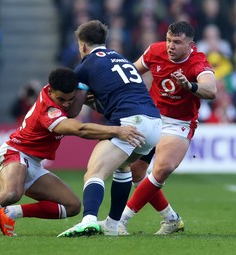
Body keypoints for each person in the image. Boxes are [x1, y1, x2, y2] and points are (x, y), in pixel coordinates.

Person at [0, 67, 145, 237]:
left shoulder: (61, 92)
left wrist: (83, 87)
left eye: (69, 99)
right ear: (51, 91)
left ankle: (9, 213)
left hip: (34, 163)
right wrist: (116, 130)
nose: (65, 103)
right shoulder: (49, 110)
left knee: (72, 206)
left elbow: (72, 109)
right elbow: (80, 129)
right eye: (61, 99)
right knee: (11, 193)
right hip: (14, 152)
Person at [57, 20, 162, 238]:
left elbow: (74, 111)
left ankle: (88, 220)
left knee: (94, 172)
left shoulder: (85, 66)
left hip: (130, 121)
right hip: (154, 122)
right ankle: (113, 225)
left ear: (83, 45)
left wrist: (79, 100)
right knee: (122, 168)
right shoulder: (120, 58)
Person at [118, 20, 217, 235]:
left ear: (190, 45)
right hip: (152, 117)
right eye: (169, 40)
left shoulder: (197, 62)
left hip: (179, 123)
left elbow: (211, 90)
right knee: (136, 171)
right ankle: (171, 219)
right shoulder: (155, 51)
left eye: (177, 42)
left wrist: (190, 86)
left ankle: (120, 220)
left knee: (162, 169)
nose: (171, 46)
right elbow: (132, 73)